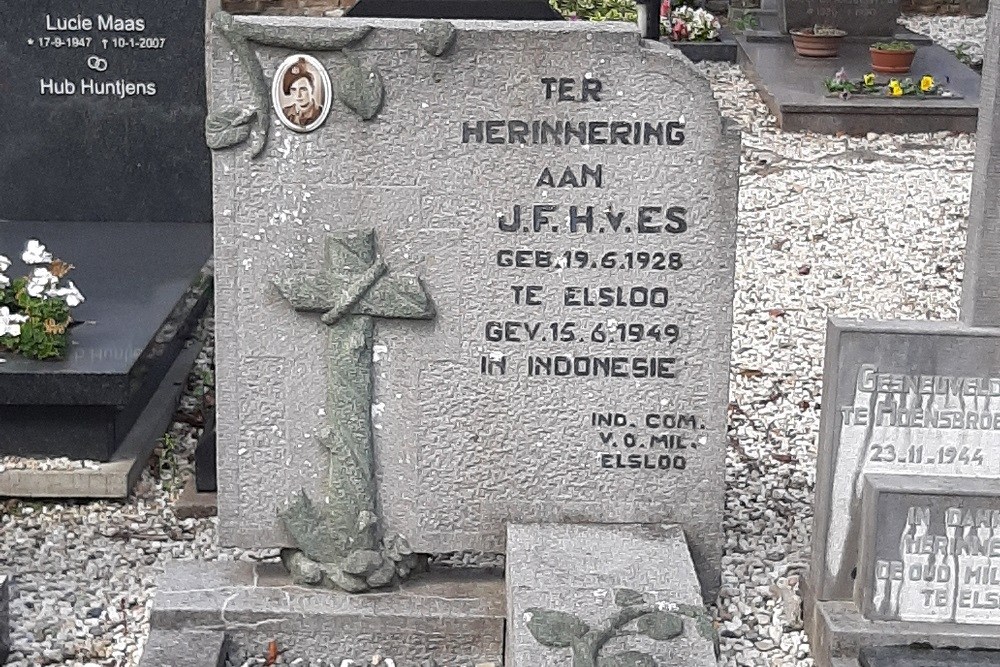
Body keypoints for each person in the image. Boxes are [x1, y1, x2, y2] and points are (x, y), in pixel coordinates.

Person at [281, 58, 323, 128]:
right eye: (293, 90)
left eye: (303, 89)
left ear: (312, 89)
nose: (298, 95)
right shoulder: (285, 112)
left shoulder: (320, 113)